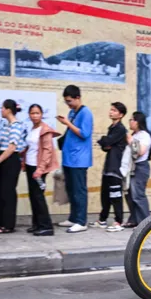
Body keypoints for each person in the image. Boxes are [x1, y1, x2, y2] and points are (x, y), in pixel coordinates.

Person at [57, 85, 93, 233]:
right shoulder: (73, 112)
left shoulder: (86, 113)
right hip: (69, 158)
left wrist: (67, 123)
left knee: (79, 190)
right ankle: (73, 217)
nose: (68, 104)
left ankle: (81, 221)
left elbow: (84, 133)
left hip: (79, 159)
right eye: (66, 102)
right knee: (71, 189)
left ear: (78, 98)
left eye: (70, 101)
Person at [0, 99, 25, 234]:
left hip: (11, 159)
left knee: (7, 192)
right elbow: (0, 145)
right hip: (3, 158)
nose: (1, 110)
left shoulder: (16, 125)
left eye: (2, 108)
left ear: (9, 109)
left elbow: (12, 147)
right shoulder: (7, 126)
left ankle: (8, 225)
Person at [21, 104, 59, 236]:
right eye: (32, 113)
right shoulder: (33, 128)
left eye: (37, 113)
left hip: (39, 168)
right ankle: (37, 224)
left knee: (38, 196)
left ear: (41, 114)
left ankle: (46, 226)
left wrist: (40, 169)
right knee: (33, 196)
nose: (35, 115)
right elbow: (30, 148)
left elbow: (47, 151)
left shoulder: (45, 130)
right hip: (31, 165)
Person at [95, 102, 128, 232]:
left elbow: (106, 142)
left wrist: (106, 141)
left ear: (121, 114)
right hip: (108, 167)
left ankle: (118, 221)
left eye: (114, 110)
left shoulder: (120, 129)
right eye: (111, 110)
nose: (111, 112)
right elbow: (105, 146)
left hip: (116, 167)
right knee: (105, 195)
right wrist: (106, 143)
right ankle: (102, 219)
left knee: (115, 196)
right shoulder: (112, 128)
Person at [125, 111, 151, 228]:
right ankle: (135, 219)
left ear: (138, 122)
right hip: (131, 167)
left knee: (138, 195)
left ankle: (146, 223)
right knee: (130, 194)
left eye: (132, 120)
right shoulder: (135, 134)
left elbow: (140, 152)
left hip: (140, 167)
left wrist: (130, 140)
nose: (130, 122)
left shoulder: (144, 135)